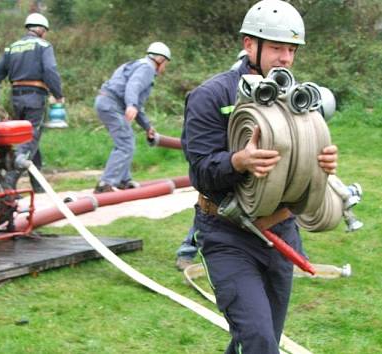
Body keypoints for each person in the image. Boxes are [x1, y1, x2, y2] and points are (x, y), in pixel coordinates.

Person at [181, 1, 338, 353]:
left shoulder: (297, 99)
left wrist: (322, 163)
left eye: (292, 49)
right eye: (278, 47)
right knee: (258, 339)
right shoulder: (211, 96)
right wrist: (239, 161)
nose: (285, 58)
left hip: (280, 234)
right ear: (249, 44)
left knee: (260, 339)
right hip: (226, 236)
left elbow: (302, 167)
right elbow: (201, 171)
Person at [174, 49, 251, 271]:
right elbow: (197, 154)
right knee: (212, 205)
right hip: (219, 175)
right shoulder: (217, 93)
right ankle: (186, 251)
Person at [0, 13, 64, 193]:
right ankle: (8, 183)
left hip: (16, 98)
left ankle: (37, 185)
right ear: (41, 30)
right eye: (45, 31)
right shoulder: (44, 46)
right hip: (35, 96)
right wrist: (58, 94)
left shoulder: (12, 48)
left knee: (25, 138)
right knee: (30, 139)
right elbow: (50, 70)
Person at [93, 42, 170, 193]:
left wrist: (147, 126)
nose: (164, 68)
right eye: (166, 63)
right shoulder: (147, 68)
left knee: (126, 139)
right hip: (112, 104)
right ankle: (106, 183)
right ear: (160, 60)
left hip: (106, 102)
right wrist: (131, 104)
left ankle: (123, 180)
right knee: (126, 143)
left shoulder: (137, 64)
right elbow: (133, 86)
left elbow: (137, 105)